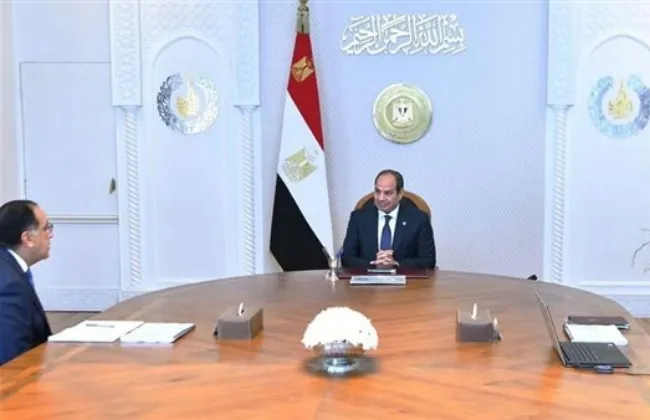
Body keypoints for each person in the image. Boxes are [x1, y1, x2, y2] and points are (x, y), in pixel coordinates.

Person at [341, 169, 436, 269]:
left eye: (388, 193)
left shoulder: (418, 219)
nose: (381, 198)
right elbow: (347, 258)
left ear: (400, 194)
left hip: (406, 277)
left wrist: (396, 264)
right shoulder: (359, 218)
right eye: (378, 191)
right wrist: (373, 264)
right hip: (368, 276)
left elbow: (428, 260)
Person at [0, 199, 53, 365]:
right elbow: (12, 359)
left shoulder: (8, 265)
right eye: (46, 228)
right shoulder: (10, 285)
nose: (50, 235)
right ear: (27, 238)